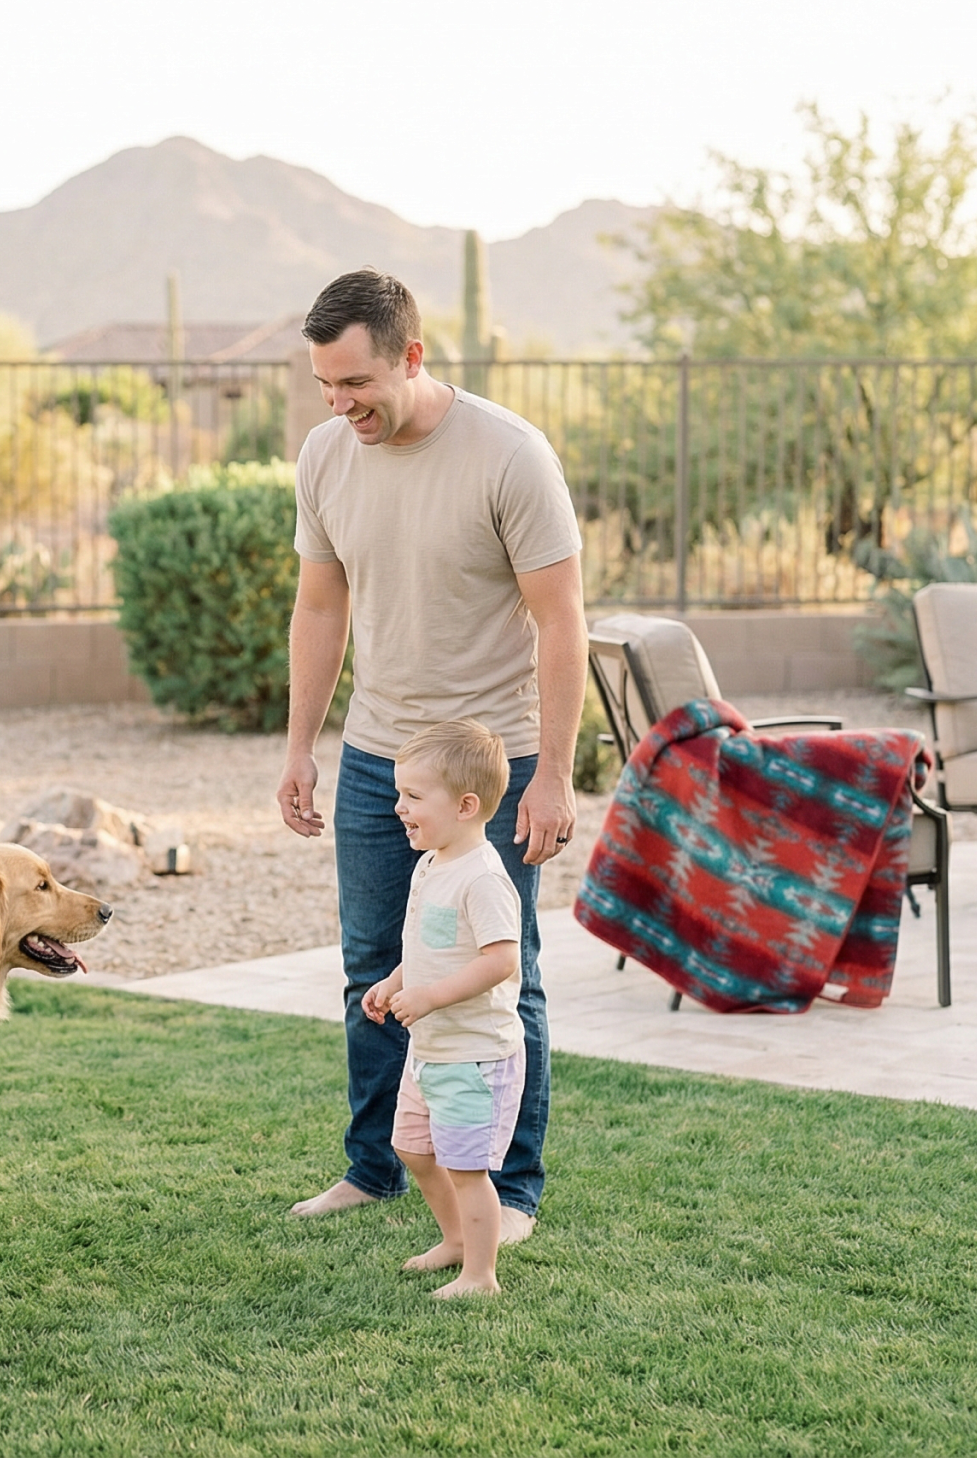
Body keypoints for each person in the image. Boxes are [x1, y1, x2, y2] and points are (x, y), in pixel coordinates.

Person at [276, 269, 586, 1243]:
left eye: (355, 383)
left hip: (487, 764)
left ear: (411, 356)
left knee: (506, 970)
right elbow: (320, 607)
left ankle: (511, 1190)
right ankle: (375, 1168)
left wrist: (554, 771)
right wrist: (299, 749)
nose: (339, 405)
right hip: (376, 756)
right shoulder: (325, 457)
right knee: (372, 963)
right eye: (325, 385)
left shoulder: (508, 455)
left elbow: (560, 620)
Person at [359, 720, 524, 1298]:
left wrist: (429, 997)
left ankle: (481, 1275)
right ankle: (455, 1240)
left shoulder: (482, 878)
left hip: (474, 1056)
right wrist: (394, 981)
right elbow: (428, 947)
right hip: (432, 1050)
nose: (399, 806)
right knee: (412, 1147)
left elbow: (501, 960)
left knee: (466, 1168)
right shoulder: (431, 863)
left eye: (413, 796)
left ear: (466, 805)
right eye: (400, 792)